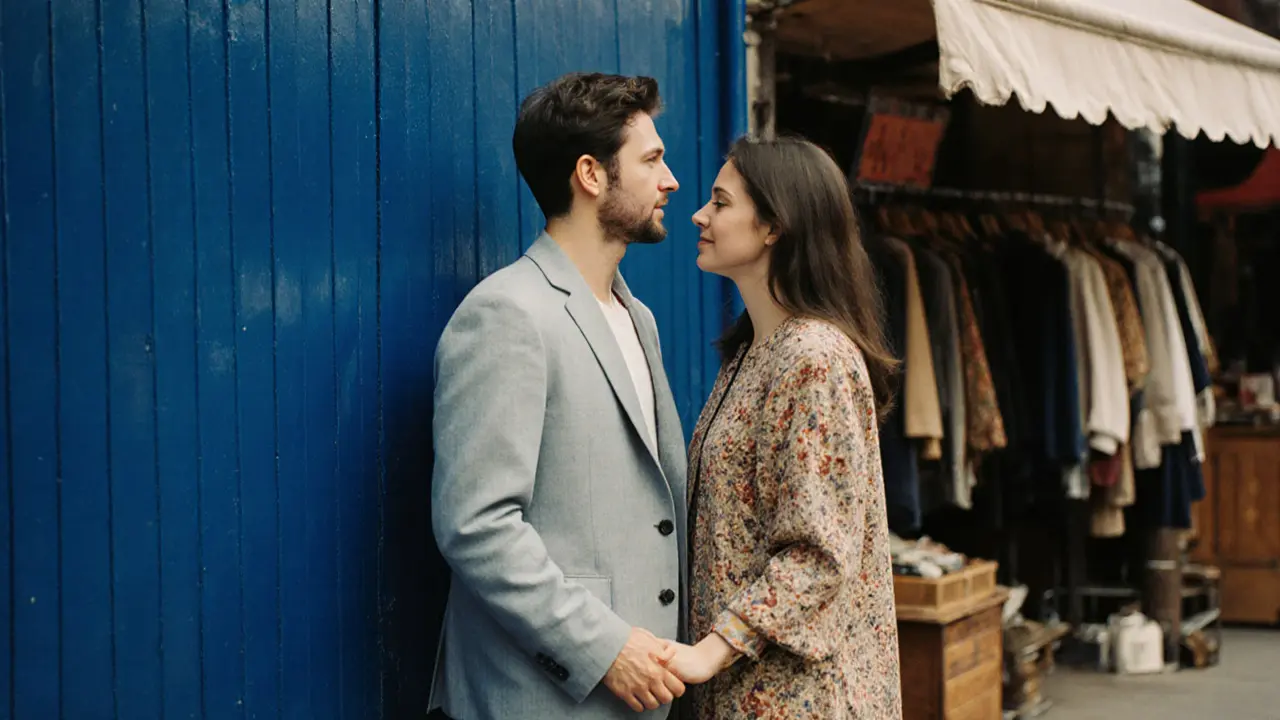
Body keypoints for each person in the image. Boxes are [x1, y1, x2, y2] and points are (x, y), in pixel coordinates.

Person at [428, 73, 690, 719]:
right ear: (590, 175)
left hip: (641, 699)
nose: (671, 181)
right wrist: (605, 649)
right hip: (537, 698)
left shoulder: (640, 318)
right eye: (652, 160)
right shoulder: (506, 313)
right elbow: (477, 526)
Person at [660, 136, 904, 719]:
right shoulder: (753, 352)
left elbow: (818, 554)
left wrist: (709, 653)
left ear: (773, 227)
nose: (699, 214)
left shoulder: (812, 357)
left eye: (720, 203)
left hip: (802, 700)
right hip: (748, 693)